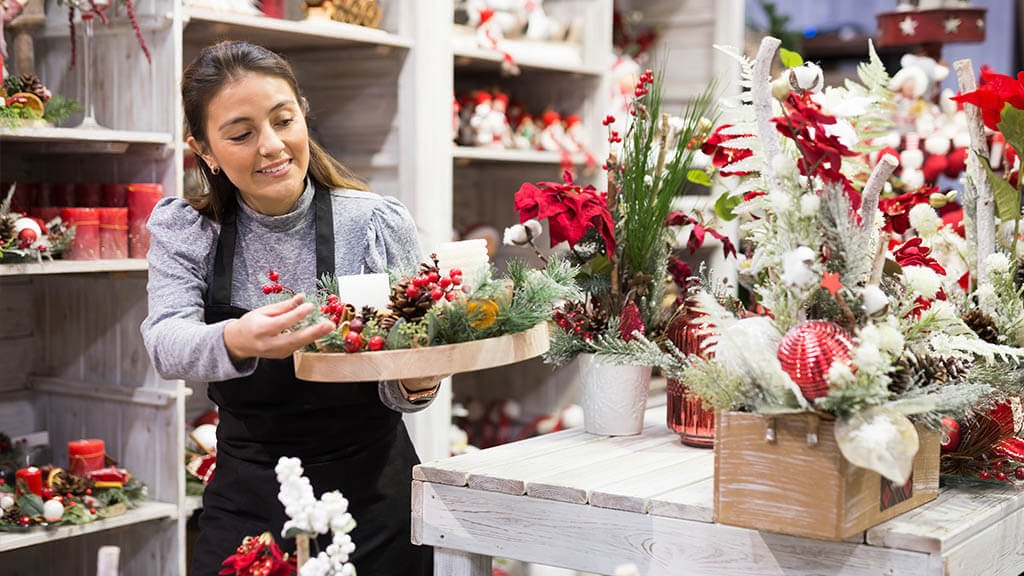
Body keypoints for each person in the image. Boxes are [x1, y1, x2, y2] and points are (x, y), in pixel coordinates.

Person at [141, 41, 437, 575]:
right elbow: (165, 343)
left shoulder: (373, 223)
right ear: (204, 150)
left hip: (373, 498)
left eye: (284, 120)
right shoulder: (188, 229)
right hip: (249, 496)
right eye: (241, 133)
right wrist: (234, 339)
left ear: (303, 113)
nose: (272, 146)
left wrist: (418, 382)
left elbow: (405, 378)